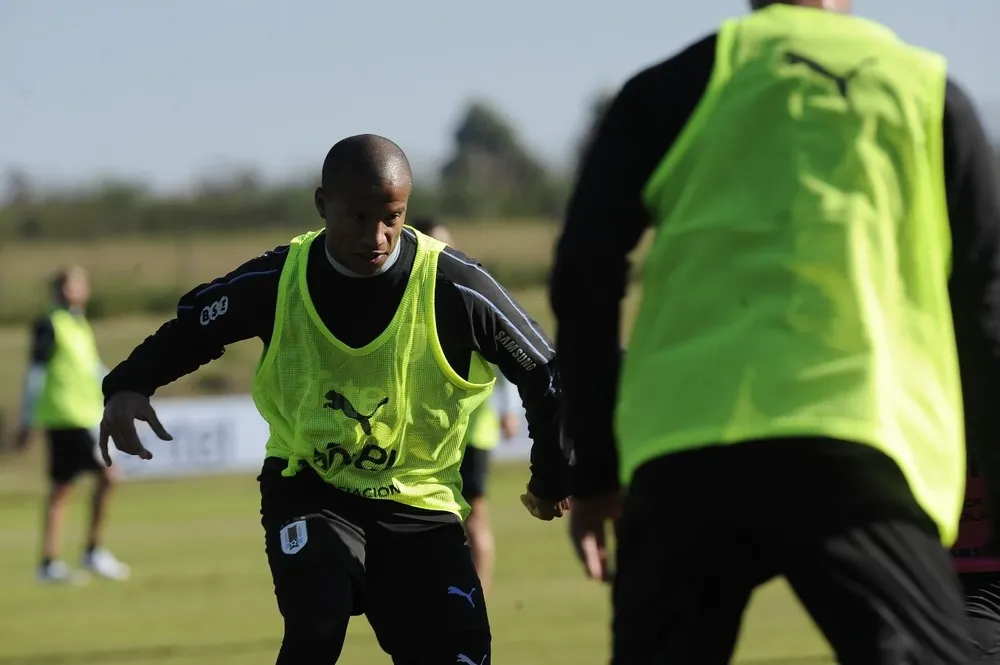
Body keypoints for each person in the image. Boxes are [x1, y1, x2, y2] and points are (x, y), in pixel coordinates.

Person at [551, 1, 1000, 663]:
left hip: (688, 448)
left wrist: (592, 472)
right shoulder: (926, 93)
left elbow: (583, 275)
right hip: (859, 442)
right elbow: (985, 311)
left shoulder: (672, 86)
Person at [99, 134, 571, 664]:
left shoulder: (455, 286)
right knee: (316, 623)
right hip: (310, 489)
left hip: (419, 504)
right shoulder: (279, 279)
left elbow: (546, 373)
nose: (378, 235)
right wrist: (128, 383)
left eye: (392, 217)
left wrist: (552, 474)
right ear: (323, 205)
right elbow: (197, 326)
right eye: (358, 216)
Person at [409, 217, 521, 598]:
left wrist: (507, 409)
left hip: (471, 426)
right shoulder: (410, 297)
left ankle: (479, 598)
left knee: (473, 515)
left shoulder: (467, 291)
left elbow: (505, 354)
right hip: (427, 427)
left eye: (445, 244)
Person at [15, 266, 131, 584]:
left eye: (80, 283)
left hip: (81, 415)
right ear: (59, 289)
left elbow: (92, 369)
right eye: (70, 284)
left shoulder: (78, 325)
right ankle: (92, 552)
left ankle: (49, 563)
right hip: (66, 416)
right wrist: (27, 419)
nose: (76, 289)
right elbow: (36, 373)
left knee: (61, 488)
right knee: (108, 476)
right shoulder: (50, 324)